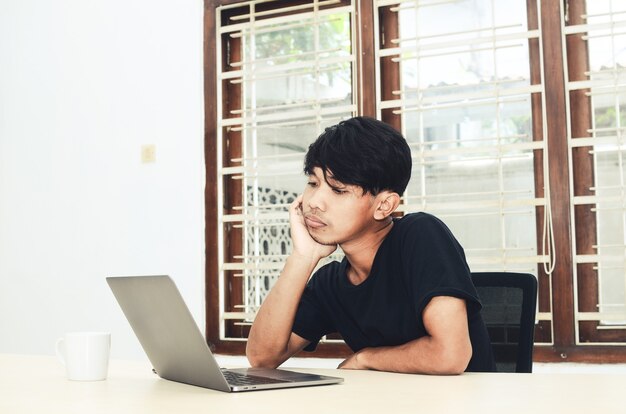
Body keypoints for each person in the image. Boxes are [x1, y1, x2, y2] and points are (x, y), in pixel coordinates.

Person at [246, 116, 496, 374]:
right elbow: (262, 358)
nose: (314, 201)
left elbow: (450, 355)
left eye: (338, 190)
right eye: (313, 183)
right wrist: (302, 257)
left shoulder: (420, 235)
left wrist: (364, 359)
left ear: (384, 205)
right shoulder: (330, 283)